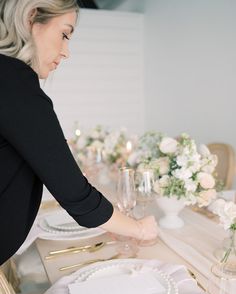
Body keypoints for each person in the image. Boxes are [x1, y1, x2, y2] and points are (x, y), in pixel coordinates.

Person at [0, 0, 158, 266]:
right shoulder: (14, 84)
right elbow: (76, 196)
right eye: (64, 34)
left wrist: (112, 220)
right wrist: (139, 228)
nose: (66, 52)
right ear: (31, 18)